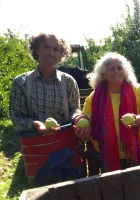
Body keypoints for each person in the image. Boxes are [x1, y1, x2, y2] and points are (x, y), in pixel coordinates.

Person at [9, 33, 90, 185]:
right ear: (37, 50)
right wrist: (35, 125)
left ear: (61, 55)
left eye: (56, 49)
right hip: (37, 151)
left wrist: (78, 118)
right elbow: (16, 116)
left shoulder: (69, 82)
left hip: (67, 150)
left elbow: (74, 110)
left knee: (72, 192)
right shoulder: (20, 83)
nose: (51, 53)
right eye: (46, 47)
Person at [82, 52, 140, 172]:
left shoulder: (138, 90)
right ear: (103, 74)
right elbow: (86, 116)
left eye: (119, 68)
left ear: (125, 71)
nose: (116, 71)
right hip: (106, 151)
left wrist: (139, 119)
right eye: (111, 69)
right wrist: (83, 121)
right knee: (113, 188)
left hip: (138, 149)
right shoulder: (95, 96)